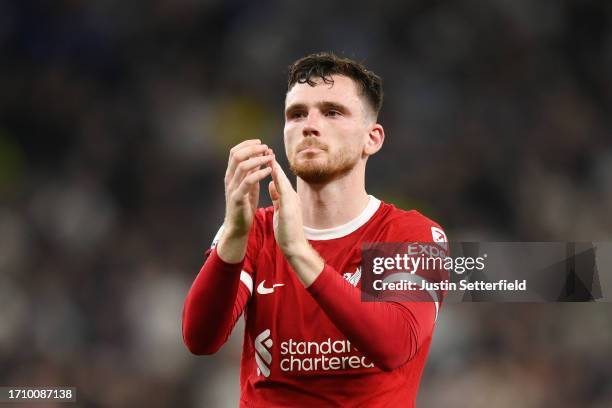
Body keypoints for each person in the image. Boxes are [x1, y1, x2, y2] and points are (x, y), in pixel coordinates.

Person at [182, 52, 448, 407]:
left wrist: (299, 252)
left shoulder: (411, 234)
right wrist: (233, 233)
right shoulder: (255, 230)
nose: (309, 124)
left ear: (373, 138)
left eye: (332, 112)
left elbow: (394, 344)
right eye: (297, 114)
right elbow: (201, 339)